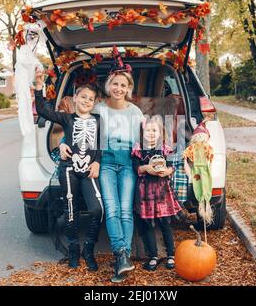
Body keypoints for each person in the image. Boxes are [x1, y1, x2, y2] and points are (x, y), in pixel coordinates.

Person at [60, 46, 144, 282]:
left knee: (126, 211)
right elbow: (76, 126)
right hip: (104, 162)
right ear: (109, 85)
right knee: (111, 208)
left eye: (124, 85)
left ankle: (123, 257)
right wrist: (62, 144)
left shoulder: (135, 112)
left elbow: (141, 143)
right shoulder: (98, 109)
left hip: (127, 162)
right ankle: (120, 254)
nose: (119, 88)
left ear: (129, 89)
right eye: (115, 84)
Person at [33, 70, 103, 272]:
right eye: (83, 97)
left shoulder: (99, 120)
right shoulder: (67, 118)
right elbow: (42, 110)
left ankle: (88, 248)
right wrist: (39, 87)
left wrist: (97, 162)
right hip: (69, 168)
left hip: (89, 170)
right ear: (75, 98)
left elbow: (101, 144)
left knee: (97, 209)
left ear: (95, 102)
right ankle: (73, 248)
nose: (86, 101)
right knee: (70, 211)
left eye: (90, 98)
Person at [131, 115, 182, 271]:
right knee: (147, 225)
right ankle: (153, 255)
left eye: (155, 130)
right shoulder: (138, 149)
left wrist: (167, 170)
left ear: (160, 133)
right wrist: (145, 168)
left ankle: (171, 254)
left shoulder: (165, 149)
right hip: (145, 192)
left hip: (162, 192)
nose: (151, 133)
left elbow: (173, 165)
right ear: (142, 132)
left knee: (165, 223)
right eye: (148, 130)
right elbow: (136, 168)